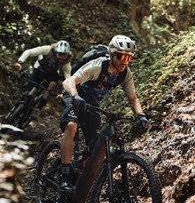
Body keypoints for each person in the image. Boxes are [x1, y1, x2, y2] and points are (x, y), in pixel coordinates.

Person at [58, 35, 148, 192]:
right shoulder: (97, 66)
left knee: (95, 147)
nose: (124, 61)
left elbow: (133, 98)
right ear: (111, 54)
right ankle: (64, 174)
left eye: (128, 57)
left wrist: (141, 116)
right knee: (72, 126)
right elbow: (68, 82)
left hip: (91, 104)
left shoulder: (125, 74)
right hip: (73, 95)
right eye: (120, 56)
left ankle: (78, 174)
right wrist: (75, 96)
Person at [14, 40, 72, 109]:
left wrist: (64, 94)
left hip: (51, 73)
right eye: (59, 54)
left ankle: (38, 108)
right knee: (29, 88)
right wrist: (19, 62)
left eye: (64, 55)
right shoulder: (47, 49)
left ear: (67, 54)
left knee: (52, 85)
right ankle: (21, 102)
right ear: (56, 51)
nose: (61, 57)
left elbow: (68, 79)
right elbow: (29, 52)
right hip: (39, 68)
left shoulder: (67, 63)